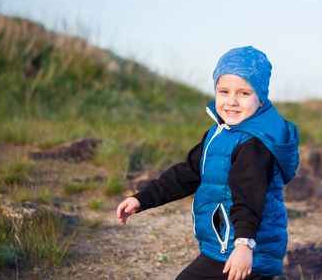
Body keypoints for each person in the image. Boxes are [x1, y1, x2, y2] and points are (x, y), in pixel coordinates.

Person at [116, 46, 299, 280]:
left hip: (246, 249)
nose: (231, 101)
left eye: (244, 93)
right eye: (224, 92)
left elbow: (249, 196)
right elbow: (187, 173)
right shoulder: (220, 133)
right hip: (227, 246)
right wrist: (142, 199)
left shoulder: (254, 144)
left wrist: (243, 245)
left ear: (261, 98)